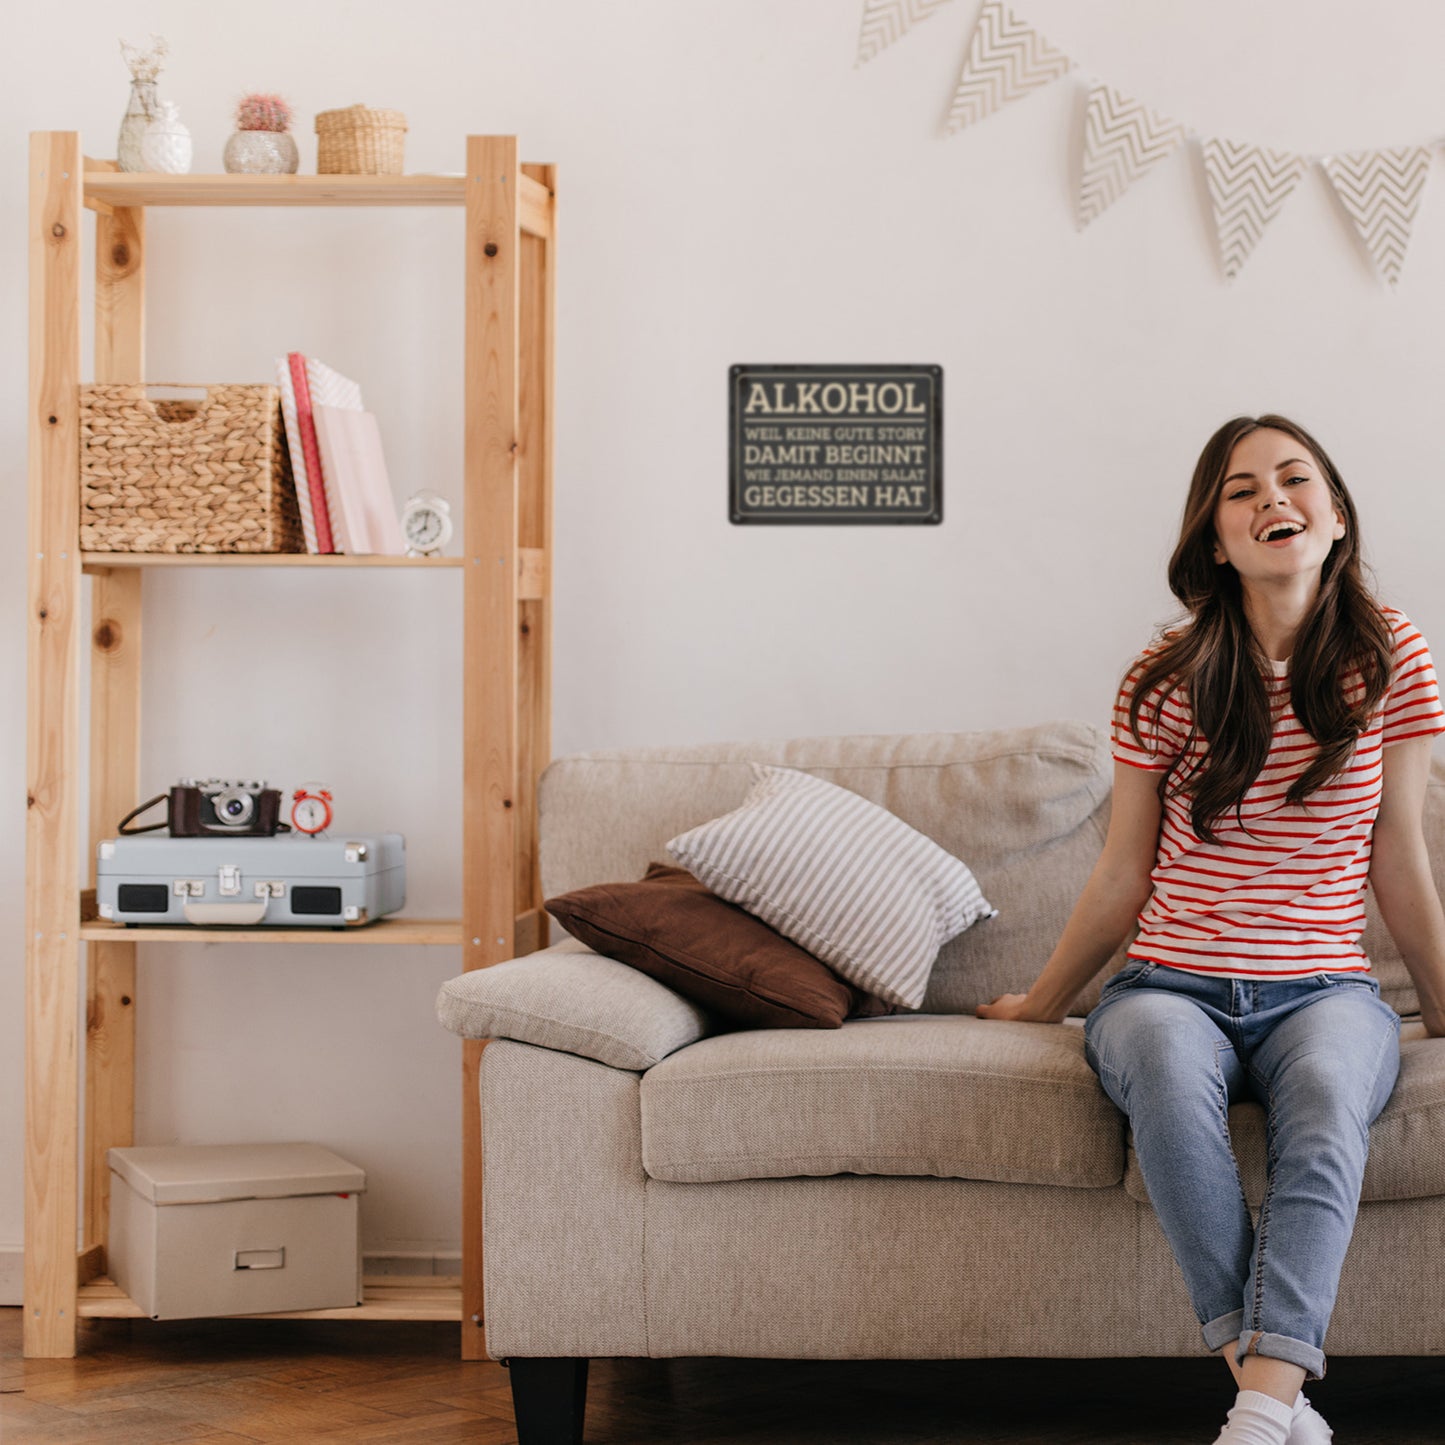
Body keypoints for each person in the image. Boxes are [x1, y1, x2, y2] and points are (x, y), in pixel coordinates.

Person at [976, 414, 1445, 1445]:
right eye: (1240, 489)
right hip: (1165, 984)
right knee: (1157, 1069)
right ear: (1214, 538)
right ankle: (1273, 1397)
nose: (1270, 497)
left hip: (1323, 990)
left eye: (1293, 478)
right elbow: (1122, 870)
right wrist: (1043, 1003)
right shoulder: (1164, 671)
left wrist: (1444, 1008)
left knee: (1326, 1096)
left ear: (1332, 519)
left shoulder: (1391, 654)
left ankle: (1257, 1408)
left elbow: (1396, 852)